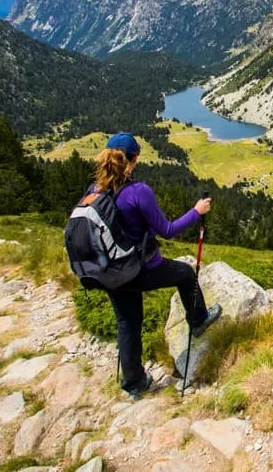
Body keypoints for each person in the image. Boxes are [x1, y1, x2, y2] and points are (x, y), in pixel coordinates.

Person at [92, 132, 222, 399]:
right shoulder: (138, 192)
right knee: (185, 273)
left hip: (108, 271)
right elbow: (168, 230)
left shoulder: (96, 191)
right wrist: (197, 211)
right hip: (138, 268)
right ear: (134, 158)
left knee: (127, 323)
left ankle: (134, 383)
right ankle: (198, 320)